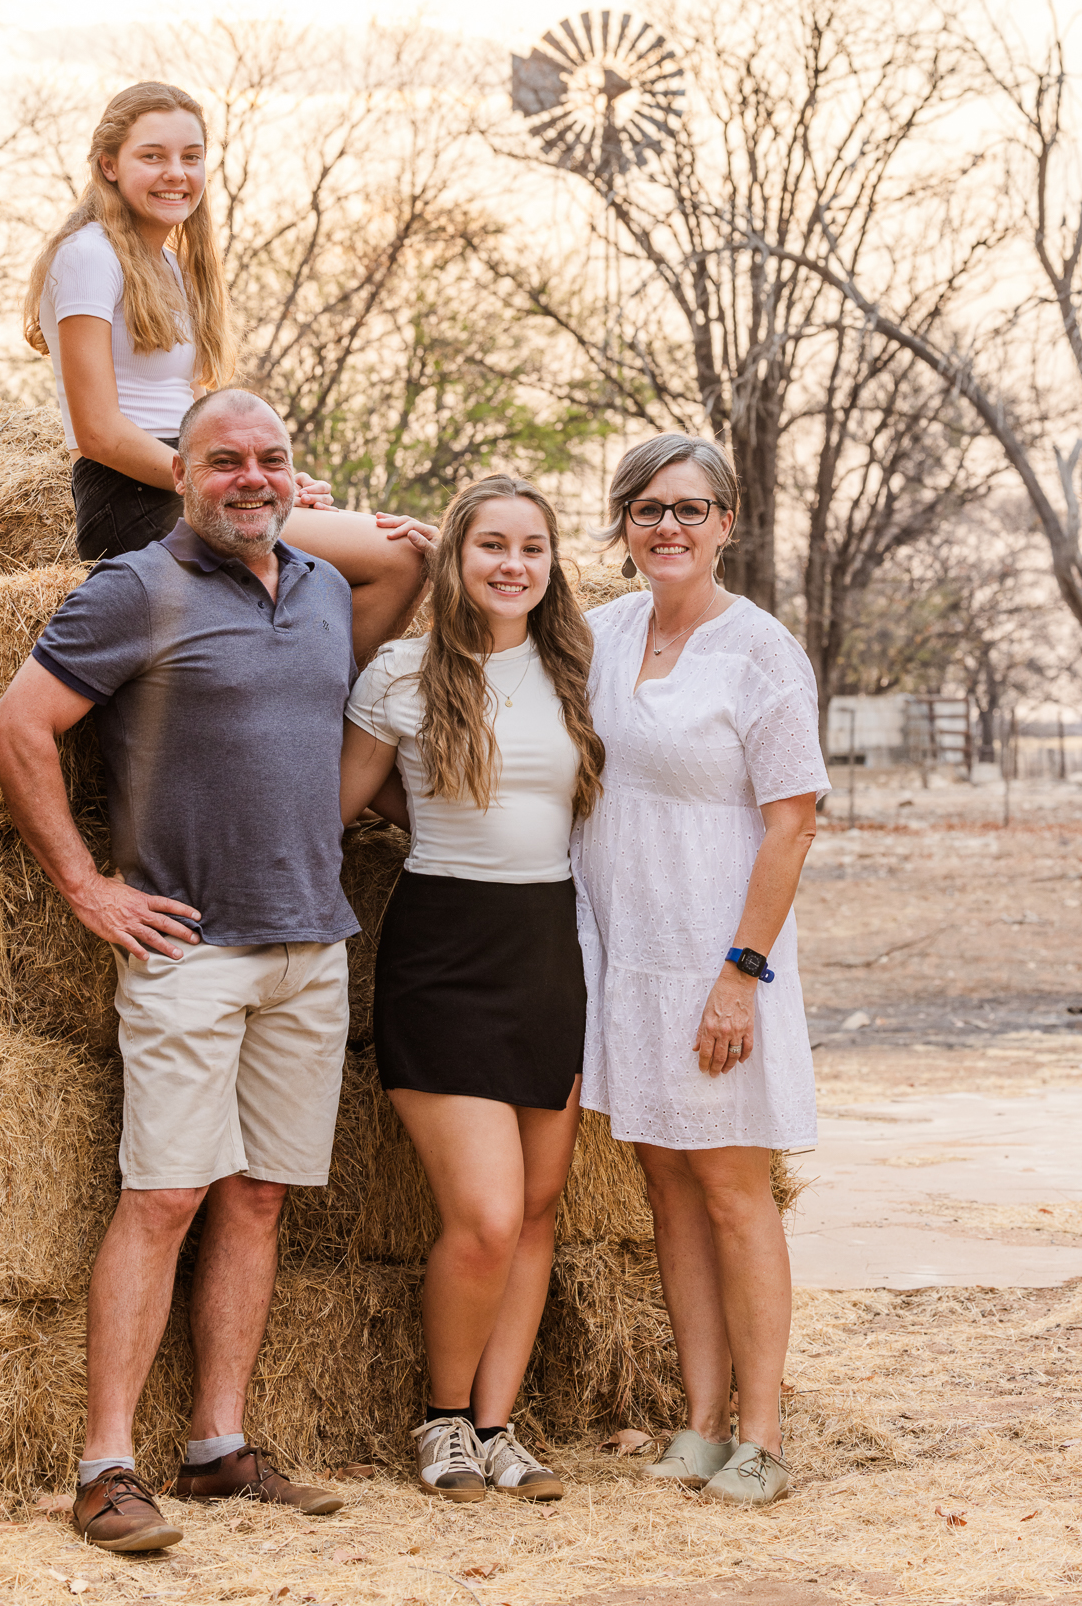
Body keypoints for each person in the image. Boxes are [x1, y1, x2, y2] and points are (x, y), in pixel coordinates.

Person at [0, 391, 432, 1554]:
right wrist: (89, 887)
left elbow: (392, 578)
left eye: (272, 460)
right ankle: (105, 1466)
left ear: (298, 474)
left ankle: (219, 1445)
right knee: (164, 1197)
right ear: (180, 473)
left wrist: (415, 540)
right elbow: (15, 730)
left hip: (310, 944)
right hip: (189, 952)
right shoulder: (138, 588)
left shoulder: (327, 593)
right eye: (224, 460)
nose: (250, 478)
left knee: (259, 1197)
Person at [571, 433, 830, 1507]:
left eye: (690, 508)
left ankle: (760, 1436)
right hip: (620, 952)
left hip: (714, 956)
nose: (666, 527)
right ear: (622, 525)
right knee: (664, 1187)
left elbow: (793, 824)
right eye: (646, 509)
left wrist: (740, 974)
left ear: (727, 522)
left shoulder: (759, 651)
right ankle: (699, 1420)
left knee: (729, 1190)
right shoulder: (598, 631)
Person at [339, 475, 605, 1505]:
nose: (511, 565)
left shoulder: (576, 668)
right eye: (489, 544)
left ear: (551, 564)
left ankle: (498, 1429)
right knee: (487, 1215)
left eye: (531, 548)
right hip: (443, 948)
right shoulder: (402, 674)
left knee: (537, 1209)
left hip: (548, 948)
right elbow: (332, 809)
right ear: (453, 559)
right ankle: (442, 1423)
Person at [24, 80, 429, 613]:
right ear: (108, 165)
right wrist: (221, 480)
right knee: (401, 558)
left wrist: (269, 478)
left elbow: (201, 416)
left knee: (408, 551)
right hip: (134, 498)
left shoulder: (172, 268)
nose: (177, 173)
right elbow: (97, 432)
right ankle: (316, 697)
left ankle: (292, 689)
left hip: (192, 479)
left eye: (191, 157)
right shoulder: (87, 256)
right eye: (153, 156)